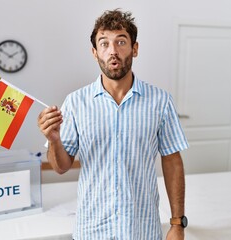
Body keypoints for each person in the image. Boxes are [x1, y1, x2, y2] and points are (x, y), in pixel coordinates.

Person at [38, 9, 189, 240]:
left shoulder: (160, 101)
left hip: (141, 229)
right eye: (104, 43)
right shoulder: (76, 103)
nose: (113, 51)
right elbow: (61, 166)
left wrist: (177, 223)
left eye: (121, 41)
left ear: (134, 49)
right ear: (94, 52)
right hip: (92, 229)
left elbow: (172, 162)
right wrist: (53, 140)